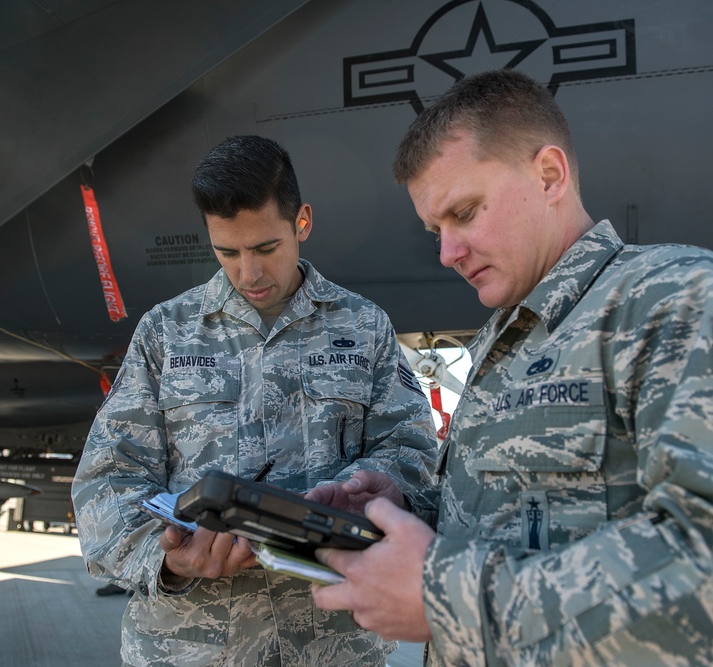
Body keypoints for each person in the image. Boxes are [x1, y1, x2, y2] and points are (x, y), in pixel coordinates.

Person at [311, 69, 713, 665]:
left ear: (549, 175)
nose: (448, 254)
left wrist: (448, 598)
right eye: (436, 231)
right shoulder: (507, 340)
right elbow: (533, 520)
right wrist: (403, 513)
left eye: (466, 213)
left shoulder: (681, 300)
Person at [72, 135, 438, 666]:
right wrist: (170, 557)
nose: (248, 273)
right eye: (228, 252)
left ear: (302, 223)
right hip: (192, 649)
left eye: (266, 248)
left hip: (331, 646)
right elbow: (107, 478)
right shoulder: (166, 333)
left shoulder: (363, 327)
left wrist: (358, 498)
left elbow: (412, 453)